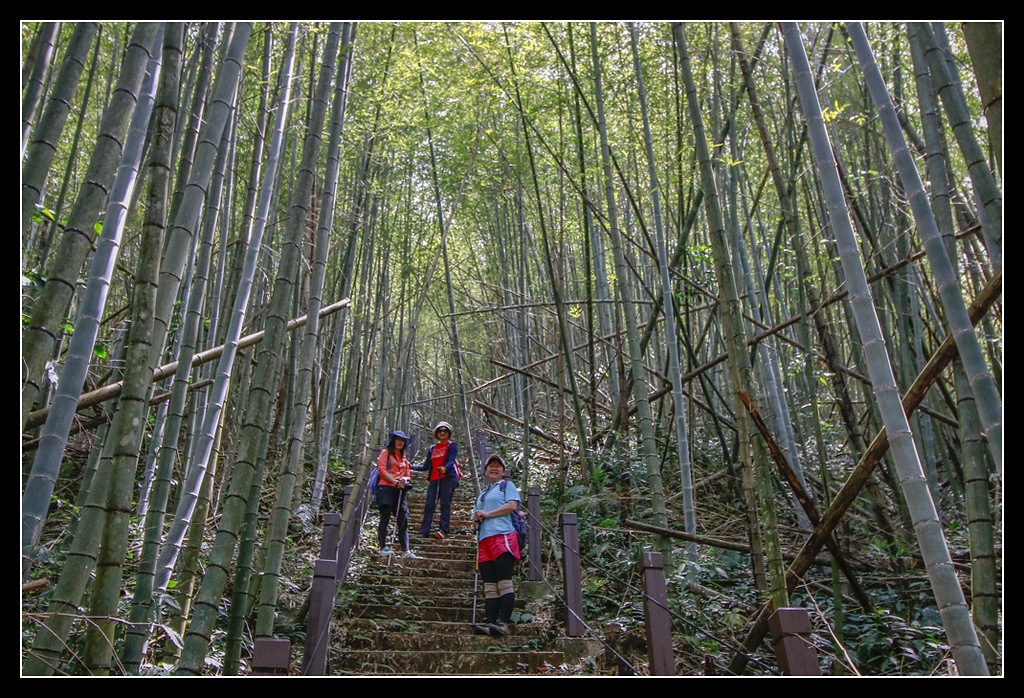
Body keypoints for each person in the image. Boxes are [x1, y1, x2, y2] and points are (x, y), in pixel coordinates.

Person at [471, 454, 520, 636]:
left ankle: (504, 622)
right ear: (485, 471)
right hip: (484, 541)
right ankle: (490, 622)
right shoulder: (482, 495)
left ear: (503, 471)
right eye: (490, 465)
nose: (494, 468)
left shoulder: (506, 486)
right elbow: (475, 523)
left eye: (497, 466)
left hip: (503, 536)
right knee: (490, 584)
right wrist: (476, 519)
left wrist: (488, 514)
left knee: (504, 581)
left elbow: (512, 506)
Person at [376, 430, 420, 559]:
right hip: (386, 488)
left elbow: (408, 475)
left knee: (403, 519)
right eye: (398, 439)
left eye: (402, 440)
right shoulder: (385, 453)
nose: (400, 442)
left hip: (400, 490)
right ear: (393, 440)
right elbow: (382, 470)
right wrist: (395, 481)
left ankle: (405, 550)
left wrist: (404, 480)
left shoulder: (404, 458)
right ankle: (382, 547)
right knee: (385, 517)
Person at [415, 421, 461, 539]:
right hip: (434, 479)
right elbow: (426, 466)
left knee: (445, 503)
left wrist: (445, 468)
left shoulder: (452, 446)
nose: (442, 433)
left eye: (445, 430)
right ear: (436, 433)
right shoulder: (432, 448)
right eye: (440, 431)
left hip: (448, 478)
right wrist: (411, 467)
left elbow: (451, 461)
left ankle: (443, 530)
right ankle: (425, 530)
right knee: (429, 504)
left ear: (449, 433)